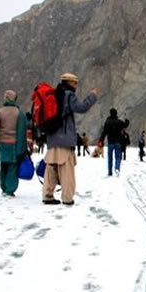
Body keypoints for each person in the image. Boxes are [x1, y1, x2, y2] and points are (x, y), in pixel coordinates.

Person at [42, 72, 99, 205]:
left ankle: (47, 195)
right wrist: (92, 96)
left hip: (52, 138)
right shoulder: (68, 95)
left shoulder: (54, 95)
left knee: (51, 168)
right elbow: (82, 107)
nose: (76, 85)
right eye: (75, 82)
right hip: (64, 139)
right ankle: (67, 198)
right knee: (66, 171)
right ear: (69, 82)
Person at [0, 90, 29, 197]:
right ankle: (10, 189)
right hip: (14, 144)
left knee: (3, 166)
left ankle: (3, 187)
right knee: (12, 167)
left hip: (2, 143)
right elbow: (24, 131)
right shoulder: (19, 113)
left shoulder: (0, 112)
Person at [99, 108, 130, 177]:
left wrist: (101, 140)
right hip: (118, 142)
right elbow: (126, 125)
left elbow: (104, 132)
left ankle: (110, 172)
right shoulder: (119, 122)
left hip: (110, 142)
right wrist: (126, 119)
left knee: (110, 158)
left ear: (110, 113)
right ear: (116, 113)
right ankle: (117, 168)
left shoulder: (107, 122)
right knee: (118, 157)